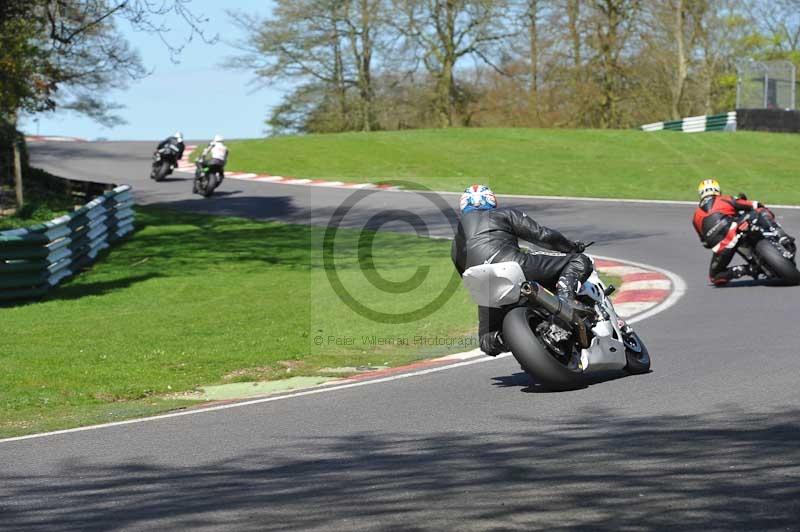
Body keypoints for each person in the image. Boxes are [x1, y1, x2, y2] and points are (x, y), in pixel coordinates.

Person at [451, 184, 591, 356]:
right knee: (579, 261)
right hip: (513, 265)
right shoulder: (503, 214)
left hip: (486, 286)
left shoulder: (455, 244)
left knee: (486, 341)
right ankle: (566, 298)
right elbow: (543, 236)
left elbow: (465, 276)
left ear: (463, 207)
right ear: (492, 201)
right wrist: (572, 247)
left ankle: (504, 338)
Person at [692, 178, 794, 285]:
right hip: (736, 227)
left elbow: (706, 244)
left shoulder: (695, 218)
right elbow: (754, 205)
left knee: (715, 277)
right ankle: (780, 235)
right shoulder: (724, 199)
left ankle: (750, 269)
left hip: (722, 247)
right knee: (760, 210)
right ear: (718, 191)